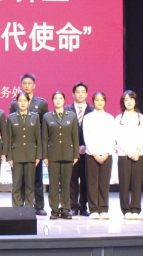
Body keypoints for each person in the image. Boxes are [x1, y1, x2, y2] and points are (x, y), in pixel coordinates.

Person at [9, 73, 49, 216]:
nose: (27, 86)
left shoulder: (41, 103)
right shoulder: (14, 103)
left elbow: (44, 126)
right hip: (19, 149)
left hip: (34, 148)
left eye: (29, 83)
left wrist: (40, 151)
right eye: (24, 83)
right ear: (21, 85)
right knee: (19, 181)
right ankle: (19, 206)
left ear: (34, 85)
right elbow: (10, 129)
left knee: (36, 179)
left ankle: (38, 206)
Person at [42, 91, 78, 220]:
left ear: (64, 100)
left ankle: (66, 209)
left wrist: (75, 155)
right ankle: (54, 209)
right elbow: (44, 138)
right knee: (53, 184)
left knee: (66, 183)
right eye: (55, 98)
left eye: (60, 98)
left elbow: (75, 136)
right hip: (53, 154)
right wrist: (45, 156)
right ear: (52, 101)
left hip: (68, 153)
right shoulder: (47, 116)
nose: (58, 100)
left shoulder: (71, 115)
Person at [82, 92, 115, 219]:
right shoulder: (88, 118)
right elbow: (87, 136)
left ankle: (104, 208)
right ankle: (94, 209)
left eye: (102, 100)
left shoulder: (110, 118)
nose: (99, 102)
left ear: (105, 102)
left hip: (107, 154)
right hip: (92, 154)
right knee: (92, 182)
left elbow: (112, 137)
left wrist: (106, 153)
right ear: (93, 101)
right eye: (97, 100)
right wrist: (95, 153)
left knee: (104, 183)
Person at [114, 90, 143, 220]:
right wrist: (128, 151)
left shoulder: (141, 117)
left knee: (137, 183)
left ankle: (135, 209)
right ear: (123, 102)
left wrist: (137, 150)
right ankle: (126, 209)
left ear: (135, 101)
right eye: (126, 100)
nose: (129, 102)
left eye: (131, 99)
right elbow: (118, 137)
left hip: (139, 154)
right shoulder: (119, 118)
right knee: (124, 183)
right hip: (124, 154)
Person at [7, 92, 41, 208]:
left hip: (31, 155)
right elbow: (8, 138)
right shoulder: (11, 117)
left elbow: (38, 137)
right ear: (17, 102)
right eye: (20, 101)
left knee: (29, 185)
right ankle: (17, 209)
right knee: (16, 184)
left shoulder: (35, 117)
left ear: (28, 102)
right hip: (16, 155)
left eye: (24, 101)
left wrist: (38, 156)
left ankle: (29, 208)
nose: (22, 103)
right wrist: (9, 157)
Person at [64, 82, 94, 216]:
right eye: (78, 92)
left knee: (86, 179)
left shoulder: (92, 110)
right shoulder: (67, 109)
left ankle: (83, 206)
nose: (80, 94)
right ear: (73, 94)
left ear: (86, 94)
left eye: (83, 92)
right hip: (71, 150)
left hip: (88, 150)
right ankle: (73, 206)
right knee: (72, 179)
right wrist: (75, 147)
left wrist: (86, 145)